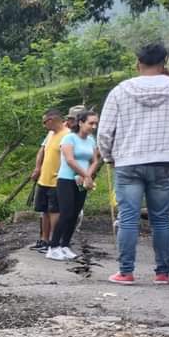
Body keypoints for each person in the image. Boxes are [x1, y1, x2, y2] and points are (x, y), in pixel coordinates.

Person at [98, 42, 169, 285]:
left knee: (128, 218)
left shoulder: (120, 90)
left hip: (128, 162)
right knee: (161, 218)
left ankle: (126, 272)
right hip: (164, 162)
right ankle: (162, 273)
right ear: (165, 63)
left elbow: (105, 131)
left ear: (138, 63)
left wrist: (108, 156)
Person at [46, 110, 101, 261]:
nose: (94, 126)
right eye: (91, 123)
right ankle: (53, 246)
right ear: (81, 122)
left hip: (82, 180)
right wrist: (87, 175)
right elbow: (70, 160)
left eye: (96, 123)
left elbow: (95, 160)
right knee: (66, 213)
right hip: (66, 179)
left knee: (75, 214)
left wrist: (87, 177)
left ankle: (65, 245)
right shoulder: (69, 138)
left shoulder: (91, 140)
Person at [30, 109, 68, 251]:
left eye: (44, 122)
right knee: (44, 210)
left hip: (57, 180)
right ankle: (44, 239)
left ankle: (55, 240)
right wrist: (37, 168)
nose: (44, 125)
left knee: (54, 210)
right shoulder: (51, 134)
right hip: (44, 179)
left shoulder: (67, 135)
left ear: (51, 120)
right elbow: (43, 151)